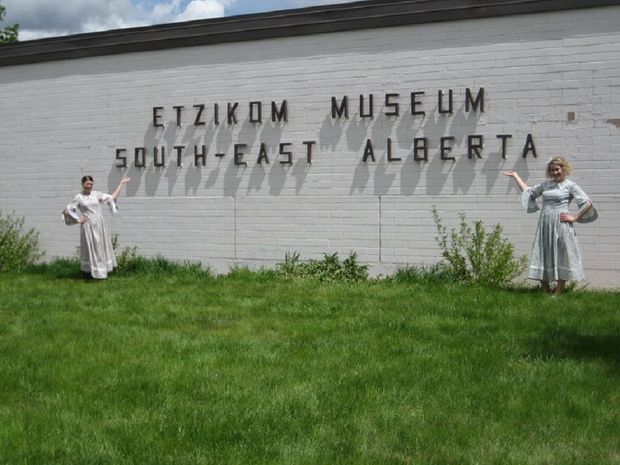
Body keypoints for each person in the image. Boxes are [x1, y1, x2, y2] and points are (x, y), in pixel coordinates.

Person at [503, 157, 597, 295]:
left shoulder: (570, 185)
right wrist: (516, 176)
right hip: (545, 226)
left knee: (562, 255)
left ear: (563, 169)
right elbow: (529, 192)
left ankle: (558, 291)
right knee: (541, 254)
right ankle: (546, 289)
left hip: (561, 225)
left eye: (557, 169)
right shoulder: (546, 185)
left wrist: (575, 217)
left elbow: (587, 202)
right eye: (552, 170)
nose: (554, 172)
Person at [64, 175, 131, 279]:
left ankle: (101, 271)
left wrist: (121, 183)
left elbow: (112, 197)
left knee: (100, 247)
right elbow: (68, 210)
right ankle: (88, 272)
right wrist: (78, 220)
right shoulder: (79, 197)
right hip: (88, 227)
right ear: (83, 184)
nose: (89, 186)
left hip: (99, 225)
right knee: (90, 248)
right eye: (87, 184)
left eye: (91, 184)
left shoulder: (96, 194)